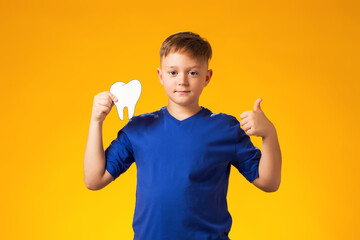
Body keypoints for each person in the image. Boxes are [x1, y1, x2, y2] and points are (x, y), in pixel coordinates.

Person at [83, 31, 282, 240]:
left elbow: (268, 182)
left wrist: (269, 134)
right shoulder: (138, 128)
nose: (182, 81)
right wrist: (96, 122)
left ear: (207, 77)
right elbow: (94, 180)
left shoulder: (226, 129)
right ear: (160, 76)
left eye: (193, 73)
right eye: (173, 72)